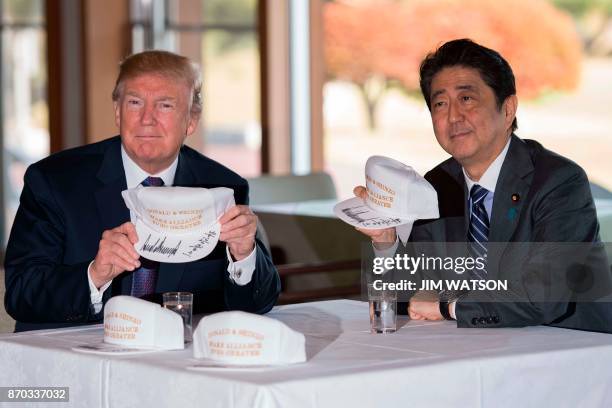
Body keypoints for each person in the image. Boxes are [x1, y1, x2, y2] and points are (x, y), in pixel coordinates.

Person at [4, 50, 280, 332]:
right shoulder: (54, 182)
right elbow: (21, 293)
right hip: (71, 361)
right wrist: (94, 275)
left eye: (165, 106)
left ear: (191, 120)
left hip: (175, 363)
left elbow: (257, 305)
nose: (147, 119)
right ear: (117, 112)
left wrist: (244, 255)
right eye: (135, 103)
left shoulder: (222, 188)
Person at [355, 39, 612, 331]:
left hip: (570, 345)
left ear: (507, 109)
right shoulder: (438, 186)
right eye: (440, 103)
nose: (453, 116)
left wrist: (449, 308)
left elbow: (545, 296)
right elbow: (411, 295)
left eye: (467, 99)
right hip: (479, 349)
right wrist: (385, 241)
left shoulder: (558, 181)